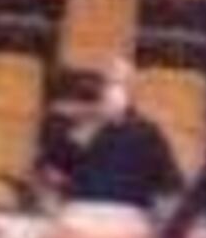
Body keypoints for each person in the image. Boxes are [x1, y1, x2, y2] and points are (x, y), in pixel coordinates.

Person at [38, 60, 182, 213]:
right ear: (100, 88)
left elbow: (170, 185)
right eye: (110, 83)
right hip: (82, 215)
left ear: (132, 92)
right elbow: (50, 172)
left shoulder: (148, 133)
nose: (115, 91)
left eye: (123, 85)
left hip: (129, 218)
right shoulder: (79, 127)